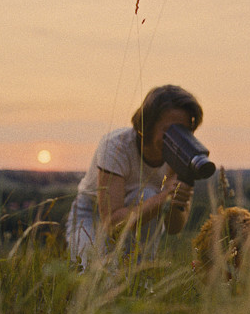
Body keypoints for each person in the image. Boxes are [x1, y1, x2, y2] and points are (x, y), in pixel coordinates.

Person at [66, 85, 203, 268]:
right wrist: (163, 197)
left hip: (143, 216)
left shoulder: (183, 155)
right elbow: (112, 224)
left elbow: (173, 228)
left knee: (132, 278)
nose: (177, 137)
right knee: (88, 275)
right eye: (169, 129)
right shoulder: (116, 146)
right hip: (93, 214)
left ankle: (139, 274)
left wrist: (174, 200)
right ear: (148, 124)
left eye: (184, 131)